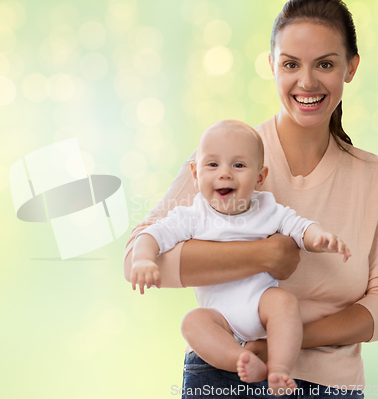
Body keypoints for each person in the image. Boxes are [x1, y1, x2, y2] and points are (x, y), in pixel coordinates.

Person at [123, 0, 378, 397]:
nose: (307, 82)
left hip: (331, 385)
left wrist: (281, 344)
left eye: (325, 64)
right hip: (222, 373)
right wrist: (261, 256)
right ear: (273, 65)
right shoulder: (224, 158)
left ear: (351, 67)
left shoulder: (373, 178)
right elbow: (140, 257)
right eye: (291, 64)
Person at [131, 119, 351, 395]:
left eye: (238, 165)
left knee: (284, 303)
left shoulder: (266, 207)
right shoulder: (192, 216)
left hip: (261, 305)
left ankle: (279, 369)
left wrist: (320, 237)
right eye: (212, 165)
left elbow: (299, 226)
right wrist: (143, 259)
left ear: (260, 176)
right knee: (192, 322)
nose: (225, 174)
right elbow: (151, 235)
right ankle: (240, 360)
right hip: (220, 318)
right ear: (195, 174)